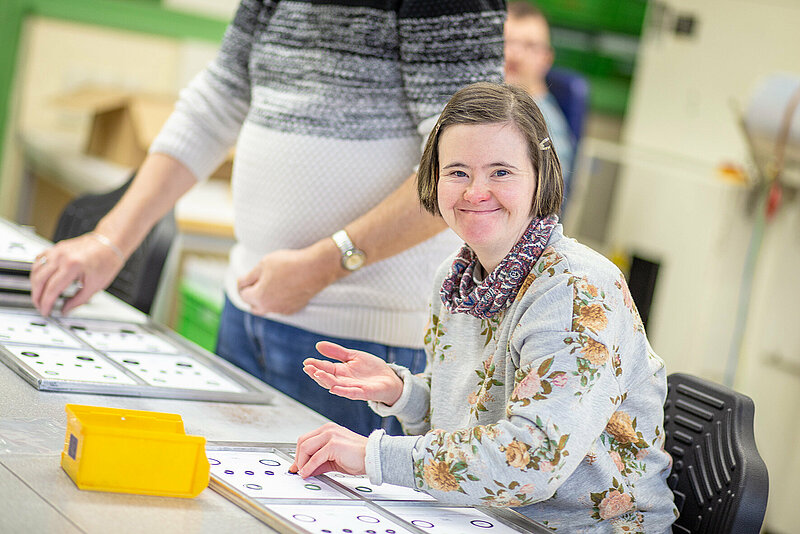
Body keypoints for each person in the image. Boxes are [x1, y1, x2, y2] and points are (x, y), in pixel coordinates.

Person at [29, 1, 506, 437]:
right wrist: (111, 240)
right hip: (248, 313)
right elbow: (215, 104)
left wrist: (324, 265)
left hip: (361, 344)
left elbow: (463, 169)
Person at [290, 82, 677, 532]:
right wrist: (404, 394)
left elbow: (532, 459)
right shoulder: (455, 279)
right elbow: (464, 425)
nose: (475, 191)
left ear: (541, 177)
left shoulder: (575, 288)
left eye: (501, 172)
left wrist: (371, 455)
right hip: (481, 518)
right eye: (457, 172)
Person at [504, 1, 576, 204]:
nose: (514, 54)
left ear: (546, 59)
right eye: (506, 42)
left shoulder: (547, 126)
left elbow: (543, 203)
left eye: (529, 46)